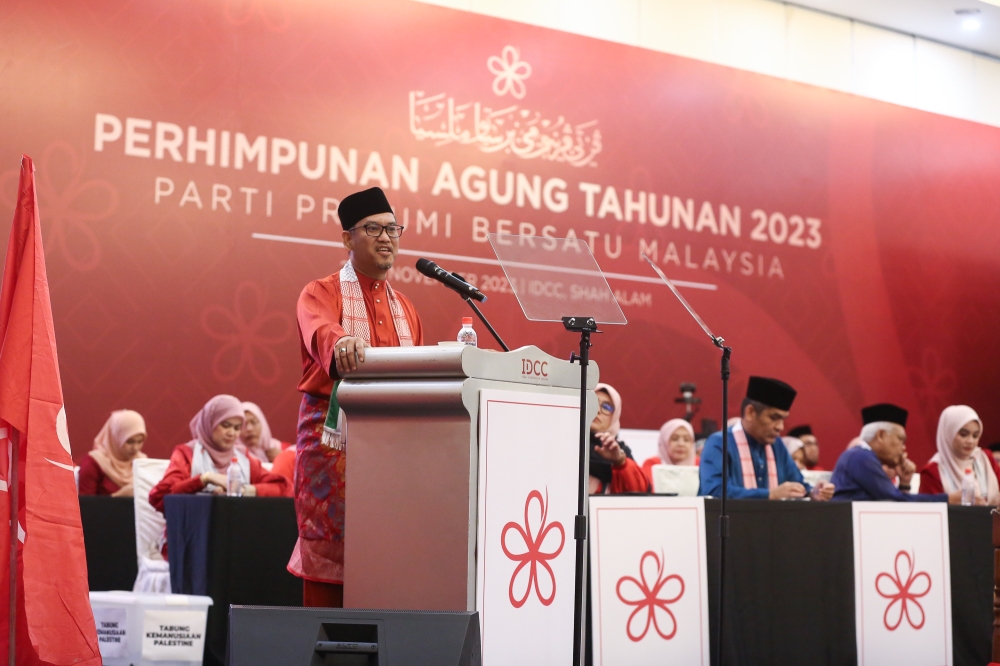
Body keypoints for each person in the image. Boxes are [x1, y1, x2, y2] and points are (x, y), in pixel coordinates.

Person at [290, 187, 424, 608]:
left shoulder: (406, 307)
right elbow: (320, 331)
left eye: (392, 229)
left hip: (395, 446)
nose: (386, 238)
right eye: (373, 229)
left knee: (392, 550)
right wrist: (343, 341)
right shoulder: (320, 291)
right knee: (332, 554)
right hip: (334, 441)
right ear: (348, 238)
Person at [699, 376, 834, 500]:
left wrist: (813, 492)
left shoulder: (777, 446)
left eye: (783, 419)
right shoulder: (720, 443)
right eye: (774, 418)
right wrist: (770, 495)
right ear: (750, 412)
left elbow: (797, 483)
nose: (780, 427)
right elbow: (714, 491)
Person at [149, 395, 290, 512]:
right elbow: (160, 497)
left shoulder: (242, 457)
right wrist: (204, 479)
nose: (232, 433)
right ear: (210, 423)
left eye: (237, 428)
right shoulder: (187, 454)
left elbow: (283, 488)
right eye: (225, 425)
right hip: (192, 533)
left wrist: (243, 490)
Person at [831, 403, 960, 503]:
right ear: (880, 435)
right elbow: (894, 500)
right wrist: (948, 499)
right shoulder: (861, 457)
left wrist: (904, 483)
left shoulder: (859, 456)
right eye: (900, 440)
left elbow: (894, 504)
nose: (903, 448)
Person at [919, 405, 1000, 504]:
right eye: (963, 434)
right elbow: (929, 512)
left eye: (975, 436)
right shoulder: (933, 470)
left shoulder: (985, 458)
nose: (970, 441)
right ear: (949, 432)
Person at [589, 383, 649, 494]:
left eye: (606, 407)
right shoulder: (566, 443)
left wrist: (620, 462)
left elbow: (640, 493)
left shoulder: (621, 452)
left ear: (615, 416)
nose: (597, 411)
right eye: (592, 403)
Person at [78, 409, 147, 497]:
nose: (135, 448)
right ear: (115, 437)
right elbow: (85, 506)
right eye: (129, 441)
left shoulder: (142, 462)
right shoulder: (94, 462)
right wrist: (119, 497)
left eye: (140, 441)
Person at [641, 418, 697, 483]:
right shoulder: (652, 464)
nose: (681, 444)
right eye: (675, 439)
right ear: (664, 442)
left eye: (686, 440)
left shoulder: (699, 464)